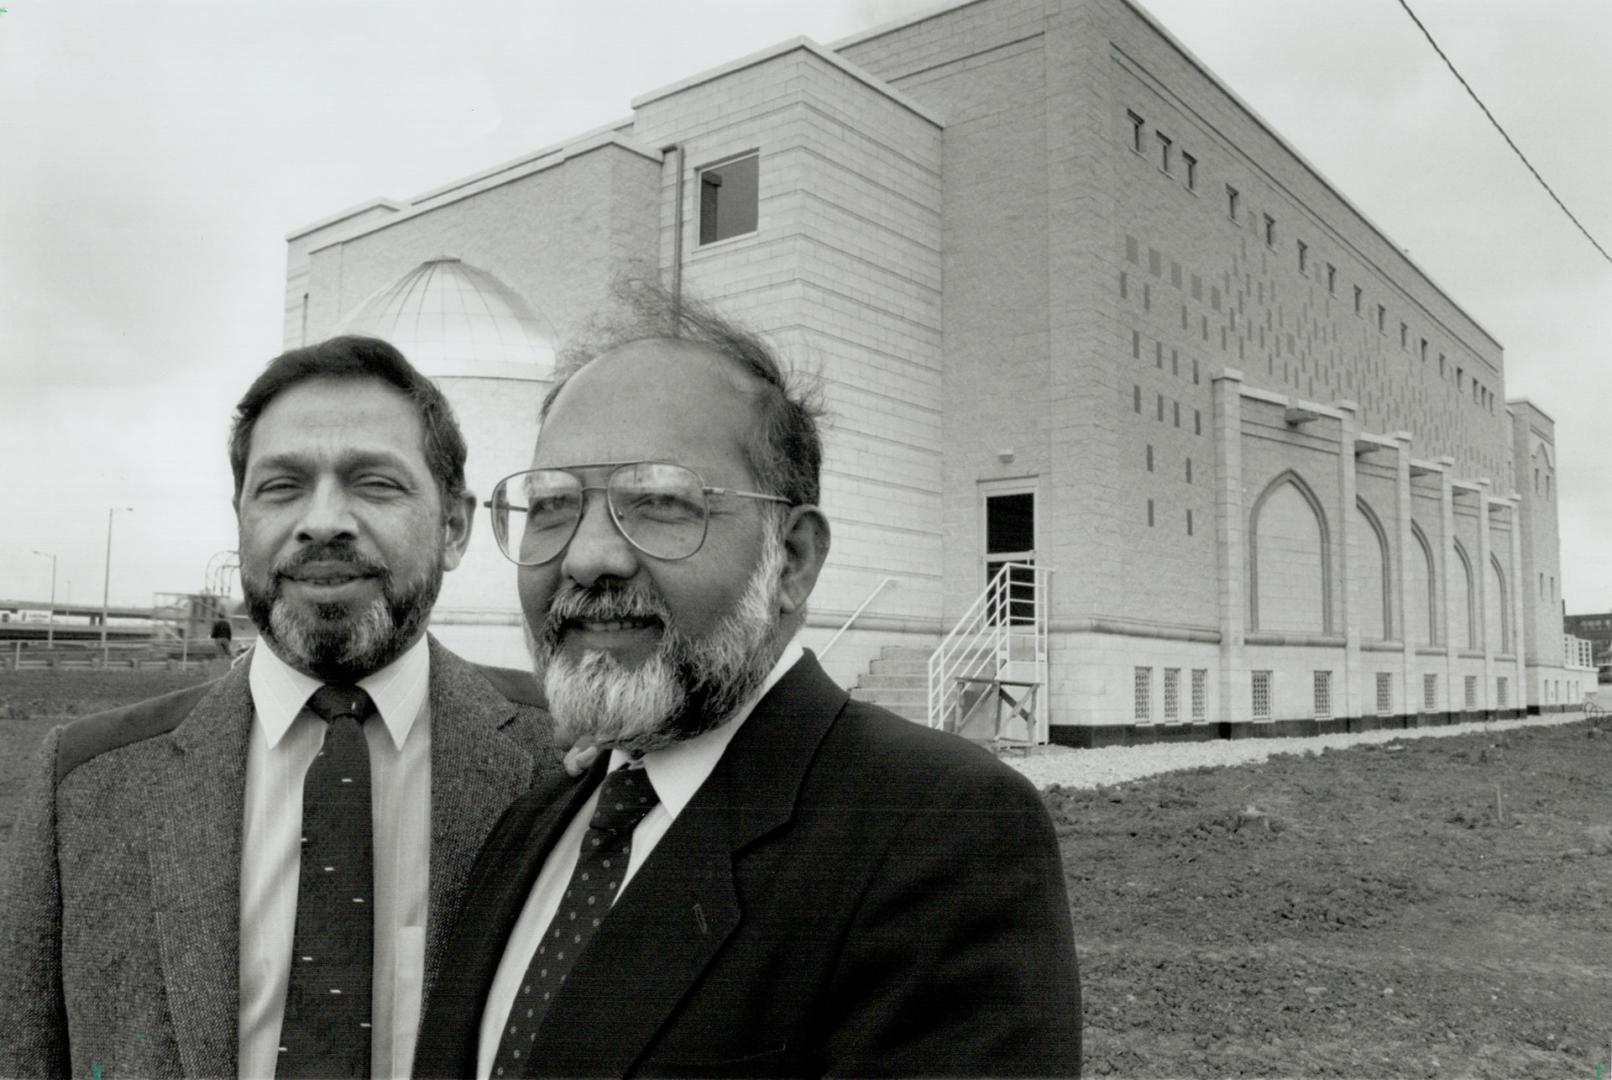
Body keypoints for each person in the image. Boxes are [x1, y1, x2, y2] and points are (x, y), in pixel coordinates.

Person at [414, 289, 1082, 1078]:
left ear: (792, 561)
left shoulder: (936, 831)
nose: (587, 556)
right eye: (554, 505)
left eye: (658, 502)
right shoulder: (537, 818)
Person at [0, 335, 560, 1079]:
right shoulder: (82, 785)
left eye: (375, 483)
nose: (323, 520)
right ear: (241, 517)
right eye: (282, 486)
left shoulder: (568, 760)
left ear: (455, 526)